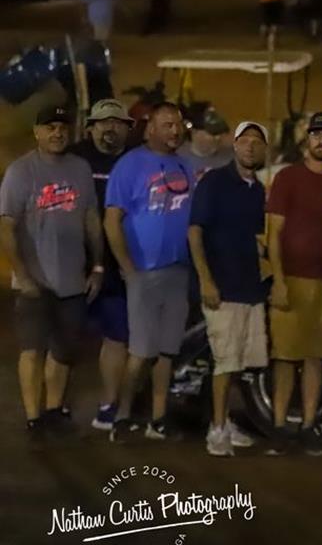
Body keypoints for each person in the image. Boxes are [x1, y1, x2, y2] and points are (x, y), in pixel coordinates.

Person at [0, 107, 102, 439]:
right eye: (50, 127)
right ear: (37, 132)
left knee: (64, 350)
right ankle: (33, 418)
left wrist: (97, 265)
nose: (57, 133)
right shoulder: (21, 171)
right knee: (32, 349)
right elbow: (6, 227)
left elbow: (90, 219)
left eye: (62, 127)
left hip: (72, 280)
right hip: (34, 282)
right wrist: (23, 275)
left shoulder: (80, 169)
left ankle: (54, 410)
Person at [104, 103, 195, 442]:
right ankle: (123, 416)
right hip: (144, 272)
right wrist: (128, 268)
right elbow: (111, 220)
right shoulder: (129, 166)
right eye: (167, 124)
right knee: (141, 351)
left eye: (178, 124)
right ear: (150, 129)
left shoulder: (185, 165)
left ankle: (158, 419)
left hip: (178, 270)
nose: (175, 130)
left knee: (167, 351)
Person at [265, 112, 322, 456]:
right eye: (317, 134)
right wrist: (278, 280)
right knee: (285, 357)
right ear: (308, 139)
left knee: (316, 357)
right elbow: (274, 234)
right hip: (291, 280)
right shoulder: (288, 177)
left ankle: (308, 426)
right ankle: (279, 427)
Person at [188, 121, 270, 457]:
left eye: (256, 141)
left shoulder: (258, 190)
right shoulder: (214, 182)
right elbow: (195, 232)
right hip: (222, 288)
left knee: (237, 362)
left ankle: (223, 421)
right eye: (244, 140)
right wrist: (206, 279)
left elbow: (258, 238)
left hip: (249, 288)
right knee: (224, 362)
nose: (250, 146)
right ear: (234, 146)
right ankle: (217, 429)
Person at [67, 99, 135, 431]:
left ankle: (109, 406)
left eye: (117, 122)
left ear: (127, 128)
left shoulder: (136, 159)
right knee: (66, 339)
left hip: (120, 265)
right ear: (90, 127)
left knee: (116, 336)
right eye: (103, 122)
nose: (110, 127)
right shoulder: (73, 158)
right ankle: (55, 406)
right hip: (74, 264)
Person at [177, 107, 233, 179]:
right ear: (194, 132)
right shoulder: (176, 158)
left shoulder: (232, 159)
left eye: (220, 132)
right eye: (212, 133)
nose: (218, 137)